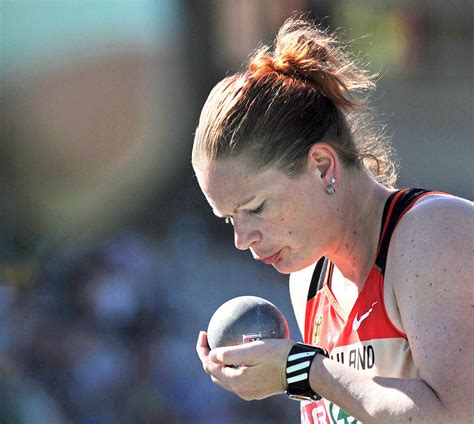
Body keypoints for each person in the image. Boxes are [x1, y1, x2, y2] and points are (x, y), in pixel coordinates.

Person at [193, 16, 473, 424]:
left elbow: (457, 413)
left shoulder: (429, 235)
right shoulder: (308, 282)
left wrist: (303, 370)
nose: (242, 238)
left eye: (255, 208)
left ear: (323, 167)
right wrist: (292, 376)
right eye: (228, 218)